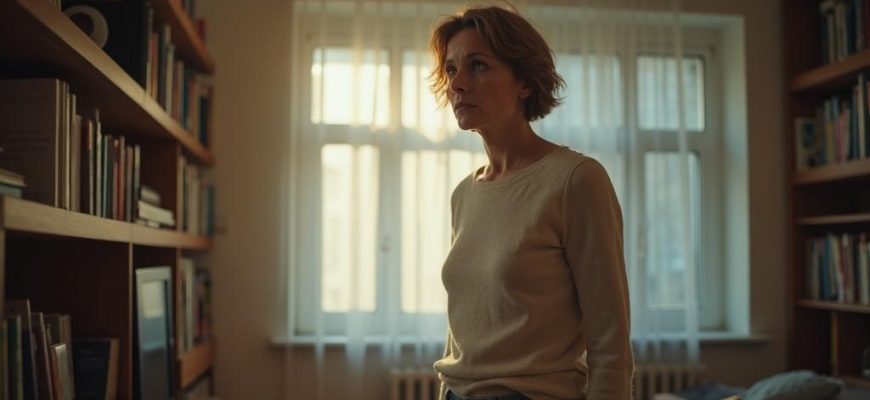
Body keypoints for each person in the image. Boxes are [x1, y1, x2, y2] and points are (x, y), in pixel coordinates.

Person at [429, 4, 634, 400]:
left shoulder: (576, 180)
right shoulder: (465, 194)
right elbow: (463, 334)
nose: (457, 84)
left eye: (478, 66)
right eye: (451, 70)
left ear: (524, 81)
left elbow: (610, 338)